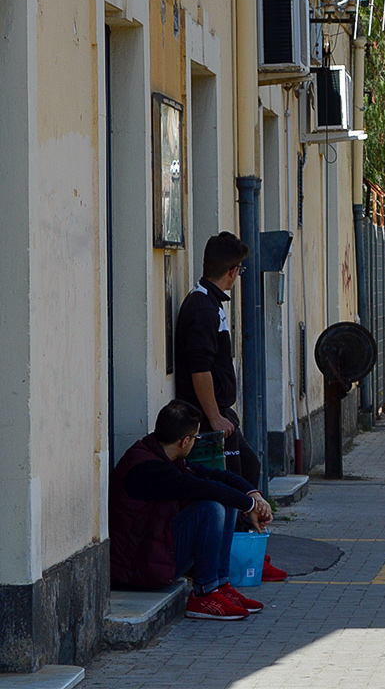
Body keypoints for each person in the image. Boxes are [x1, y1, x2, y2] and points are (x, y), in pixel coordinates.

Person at [174, 231, 287, 581]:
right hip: (209, 418)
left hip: (221, 413)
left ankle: (248, 545)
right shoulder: (202, 308)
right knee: (234, 485)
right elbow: (200, 368)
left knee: (248, 468)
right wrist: (214, 417)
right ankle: (233, 560)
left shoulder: (210, 303)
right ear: (233, 271)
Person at [109, 400, 273, 621]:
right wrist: (249, 506)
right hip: (137, 568)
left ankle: (220, 585)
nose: (195, 443)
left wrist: (253, 496)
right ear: (185, 441)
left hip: (155, 551)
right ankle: (204, 593)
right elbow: (201, 487)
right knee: (210, 508)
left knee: (224, 499)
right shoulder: (146, 468)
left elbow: (216, 476)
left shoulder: (165, 456)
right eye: (196, 438)